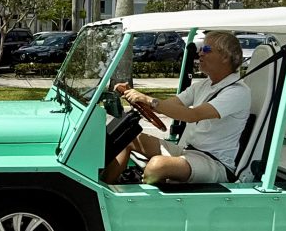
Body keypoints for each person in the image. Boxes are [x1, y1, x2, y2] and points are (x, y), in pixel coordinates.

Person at [104, 30, 250, 185]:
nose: (200, 54)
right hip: (187, 151)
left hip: (214, 162)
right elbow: (169, 105)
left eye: (206, 49)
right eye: (201, 49)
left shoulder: (237, 91)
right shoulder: (204, 85)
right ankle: (104, 189)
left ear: (226, 56)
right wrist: (135, 95)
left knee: (157, 166)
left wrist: (148, 100)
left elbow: (192, 115)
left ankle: (144, 204)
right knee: (127, 137)